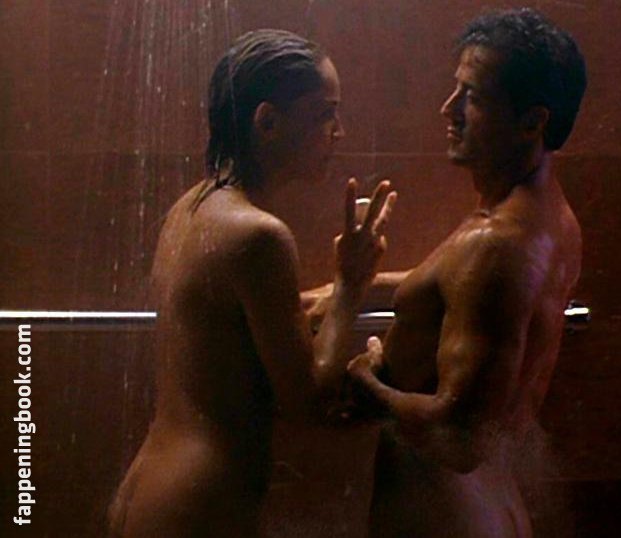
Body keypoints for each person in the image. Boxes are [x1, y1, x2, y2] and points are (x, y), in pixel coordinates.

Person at [108, 29, 395, 537]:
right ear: (267, 122)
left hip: (151, 491)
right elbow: (308, 403)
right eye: (324, 114)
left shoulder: (191, 209)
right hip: (197, 508)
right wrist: (350, 285)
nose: (338, 131)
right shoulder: (258, 235)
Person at [347, 8, 587, 537]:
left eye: (472, 96)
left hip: (446, 517)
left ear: (533, 122)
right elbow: (453, 287)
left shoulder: (496, 246)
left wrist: (369, 386)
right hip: (486, 505)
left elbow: (459, 441)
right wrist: (342, 290)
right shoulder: (547, 218)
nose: (448, 109)